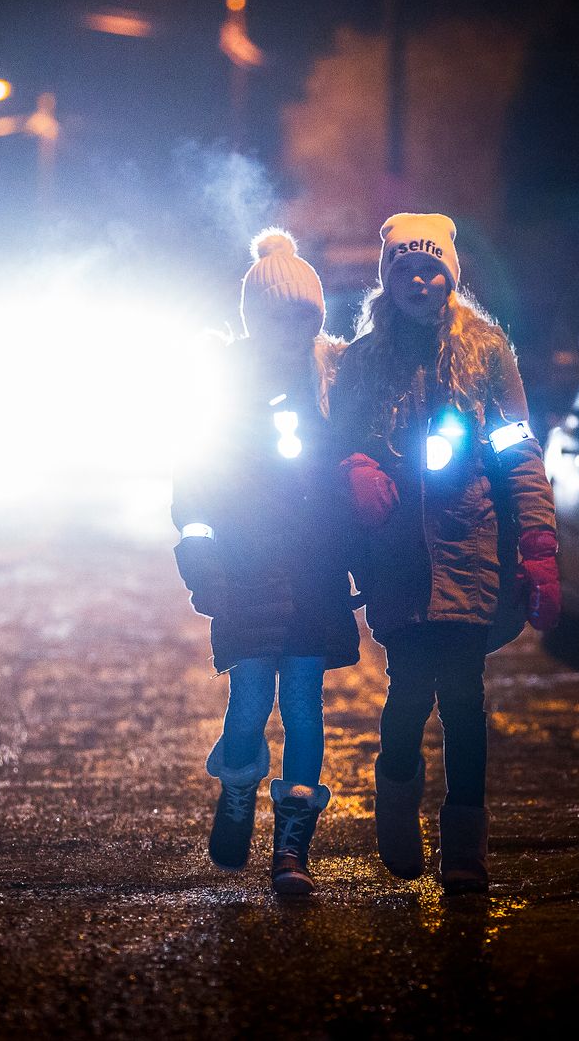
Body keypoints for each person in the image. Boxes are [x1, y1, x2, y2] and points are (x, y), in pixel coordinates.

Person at [329, 212, 561, 893]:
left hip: (469, 549)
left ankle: (465, 848)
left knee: (463, 698)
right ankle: (397, 814)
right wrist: (353, 467)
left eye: (432, 269)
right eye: (406, 269)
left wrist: (539, 544)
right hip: (397, 557)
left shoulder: (487, 350)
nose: (420, 281)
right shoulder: (364, 359)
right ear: (388, 278)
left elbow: (518, 447)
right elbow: (334, 438)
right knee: (405, 694)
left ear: (451, 279)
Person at [171, 228, 359, 896]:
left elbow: (346, 482)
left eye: (306, 318)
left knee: (305, 707)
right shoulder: (223, 391)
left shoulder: (329, 382)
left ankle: (292, 845)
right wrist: (203, 562)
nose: (294, 330)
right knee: (250, 700)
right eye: (283, 317)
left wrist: (361, 551)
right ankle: (238, 790)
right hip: (247, 578)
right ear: (256, 318)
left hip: (311, 581)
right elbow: (193, 488)